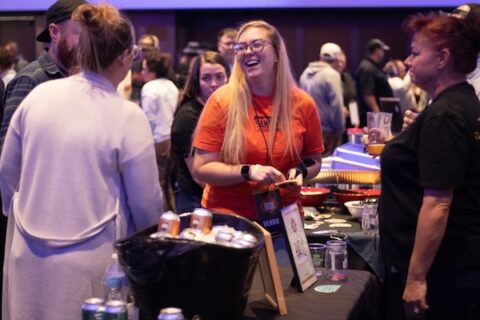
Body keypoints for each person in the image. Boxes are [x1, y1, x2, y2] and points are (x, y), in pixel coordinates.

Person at [0, 4, 163, 320]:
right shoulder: (128, 116)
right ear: (126, 57)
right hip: (94, 261)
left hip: (26, 256)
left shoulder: (37, 98)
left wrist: (28, 217)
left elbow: (6, 177)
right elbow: (146, 210)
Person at [378, 12, 480, 320]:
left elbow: (438, 204)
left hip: (443, 271)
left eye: (415, 52)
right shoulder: (461, 102)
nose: (407, 61)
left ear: (442, 58)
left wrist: (416, 278)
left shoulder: (446, 113)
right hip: (455, 264)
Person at [192, 20, 323, 220]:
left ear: (277, 53)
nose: (247, 51)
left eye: (256, 45)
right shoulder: (221, 101)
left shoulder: (303, 103)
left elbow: (314, 160)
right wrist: (248, 171)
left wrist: (300, 172)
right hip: (230, 220)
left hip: (286, 217)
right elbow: (202, 168)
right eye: (241, 47)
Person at [0, 0, 86, 154]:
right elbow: (8, 150)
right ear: (54, 32)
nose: (88, 45)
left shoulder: (80, 78)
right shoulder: (29, 80)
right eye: (80, 35)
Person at [171, 51, 230, 213]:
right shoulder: (188, 117)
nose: (213, 84)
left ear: (228, 78)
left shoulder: (230, 108)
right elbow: (199, 176)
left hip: (219, 192)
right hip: (195, 199)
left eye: (219, 77)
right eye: (206, 78)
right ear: (197, 81)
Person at [141, 50, 179, 211]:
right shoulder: (172, 86)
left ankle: (163, 223)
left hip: (157, 140)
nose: (141, 73)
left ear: (152, 72)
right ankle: (173, 218)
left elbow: (147, 118)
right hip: (172, 138)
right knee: (168, 184)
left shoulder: (149, 88)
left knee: (158, 184)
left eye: (144, 69)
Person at [300, 42, 345, 156]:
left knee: (312, 167)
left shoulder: (305, 73)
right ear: (337, 58)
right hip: (327, 133)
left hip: (307, 131)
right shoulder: (332, 75)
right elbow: (336, 106)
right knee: (328, 171)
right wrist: (340, 129)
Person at [355, 38, 394, 127]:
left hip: (376, 115)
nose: (383, 54)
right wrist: (378, 115)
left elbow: (377, 84)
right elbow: (368, 94)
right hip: (372, 117)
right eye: (382, 50)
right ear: (377, 51)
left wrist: (384, 72)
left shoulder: (372, 67)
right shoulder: (367, 68)